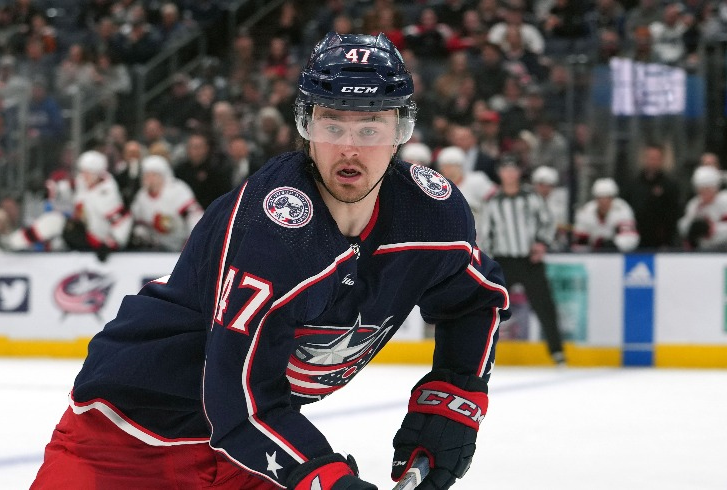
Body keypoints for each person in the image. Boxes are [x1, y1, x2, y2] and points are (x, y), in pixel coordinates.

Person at [31, 32, 509, 490]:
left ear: (400, 130)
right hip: (125, 439)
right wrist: (325, 478)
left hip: (251, 460)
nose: (349, 146)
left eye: (370, 126)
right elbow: (237, 403)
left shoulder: (431, 216)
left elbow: (475, 297)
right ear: (306, 125)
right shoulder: (274, 228)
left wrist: (453, 398)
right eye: (332, 123)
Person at [480, 157, 565, 365]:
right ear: (500, 173)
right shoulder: (492, 201)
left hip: (530, 261)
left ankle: (557, 352)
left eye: (513, 169)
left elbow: (547, 222)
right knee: (490, 308)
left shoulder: (532, 197)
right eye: (505, 170)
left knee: (544, 306)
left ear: (518, 172)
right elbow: (486, 233)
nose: (509, 174)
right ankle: (482, 353)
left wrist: (542, 243)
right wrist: (489, 262)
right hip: (502, 262)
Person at [8, 150, 133, 261]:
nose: (83, 176)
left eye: (87, 173)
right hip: (84, 232)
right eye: (82, 172)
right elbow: (66, 189)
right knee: (56, 238)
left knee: (55, 221)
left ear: (97, 173)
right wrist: (48, 189)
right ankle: (13, 243)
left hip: (97, 241)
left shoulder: (107, 194)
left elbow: (123, 220)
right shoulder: (85, 182)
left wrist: (111, 244)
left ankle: (13, 243)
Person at [128, 155, 204, 252]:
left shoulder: (177, 190)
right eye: (146, 175)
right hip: (158, 249)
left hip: (183, 246)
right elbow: (139, 223)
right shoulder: (141, 197)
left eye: (154, 175)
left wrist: (192, 241)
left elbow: (194, 217)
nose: (149, 179)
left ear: (163, 175)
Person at [571, 178, 639, 252]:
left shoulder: (622, 210)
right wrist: (593, 246)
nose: (604, 202)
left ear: (613, 198)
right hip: (593, 256)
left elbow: (631, 239)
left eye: (608, 198)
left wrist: (611, 244)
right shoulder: (586, 212)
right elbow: (579, 244)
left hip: (618, 255)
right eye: (600, 198)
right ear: (595, 199)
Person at [678, 166, 727, 251]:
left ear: (715, 188)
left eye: (706, 189)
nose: (703, 194)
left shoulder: (724, 201)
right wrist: (691, 228)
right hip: (702, 250)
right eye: (700, 190)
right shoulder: (694, 204)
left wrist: (711, 229)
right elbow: (683, 225)